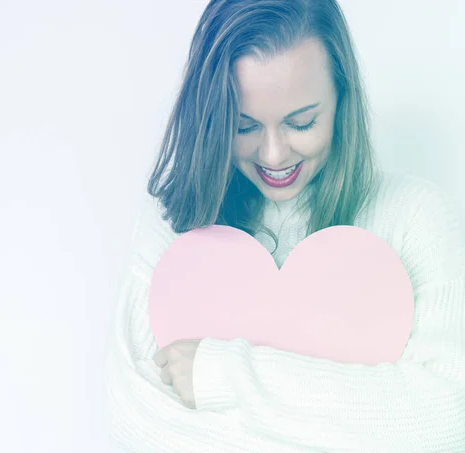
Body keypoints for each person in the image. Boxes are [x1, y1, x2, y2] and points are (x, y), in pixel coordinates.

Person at [103, 0, 465, 451]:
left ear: (342, 99)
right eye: (244, 126)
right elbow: (137, 432)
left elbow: (449, 421)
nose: (273, 156)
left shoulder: (417, 217)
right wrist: (358, 419)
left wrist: (221, 375)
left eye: (301, 122)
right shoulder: (171, 224)